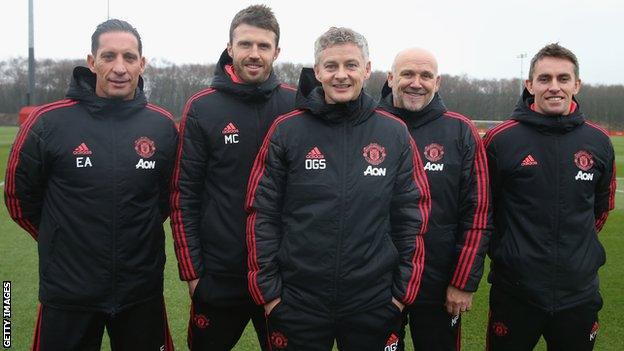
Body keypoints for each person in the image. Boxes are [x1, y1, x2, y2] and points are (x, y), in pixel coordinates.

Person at [245, 27, 431, 351]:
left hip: (373, 303)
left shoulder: (395, 133)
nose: (341, 75)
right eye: (331, 66)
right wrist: (270, 294)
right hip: (298, 302)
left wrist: (400, 297)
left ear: (368, 69)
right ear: (317, 71)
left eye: (351, 65)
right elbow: (261, 214)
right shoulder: (287, 130)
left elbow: (412, 216)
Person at [4, 19, 177, 350]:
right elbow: (18, 197)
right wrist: (60, 235)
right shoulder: (48, 122)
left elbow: (167, 198)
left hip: (140, 291)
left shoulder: (162, 125)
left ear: (142, 64)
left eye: (129, 57)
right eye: (108, 56)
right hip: (68, 295)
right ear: (91, 61)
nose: (119, 68)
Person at [169, 5, 296, 350]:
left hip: (283, 276)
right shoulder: (202, 107)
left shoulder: (295, 104)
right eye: (245, 44)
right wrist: (193, 272)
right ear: (230, 47)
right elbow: (184, 195)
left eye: (264, 46)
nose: (254, 54)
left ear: (277, 52)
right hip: (220, 277)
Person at [483, 43, 616, 351]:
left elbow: (600, 209)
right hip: (515, 293)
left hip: (578, 294)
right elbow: (484, 211)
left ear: (577, 84)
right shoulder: (501, 140)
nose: (554, 87)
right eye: (544, 79)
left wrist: (574, 251)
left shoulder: (598, 141)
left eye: (563, 78)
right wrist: (511, 253)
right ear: (530, 85)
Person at [378, 47, 491, 351]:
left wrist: (463, 281)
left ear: (437, 82)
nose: (417, 82)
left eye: (426, 75)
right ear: (391, 78)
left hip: (440, 284)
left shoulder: (460, 130)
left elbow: (478, 213)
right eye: (408, 74)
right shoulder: (369, 125)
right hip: (377, 281)